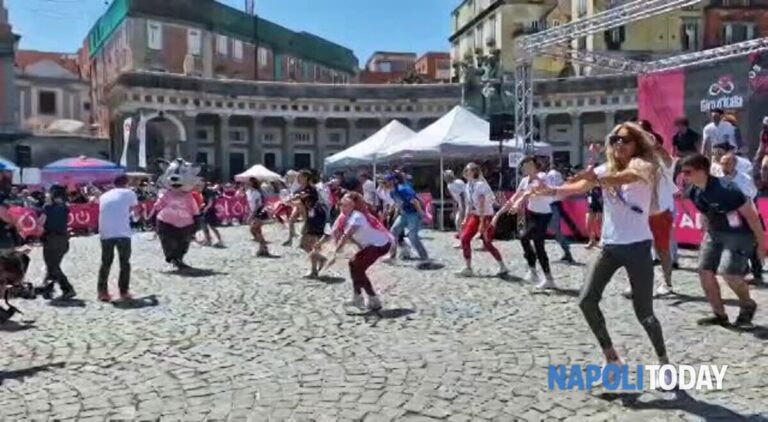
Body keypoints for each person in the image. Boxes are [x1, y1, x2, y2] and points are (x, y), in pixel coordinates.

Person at [531, 122, 672, 376]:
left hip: (638, 246)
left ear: (637, 144)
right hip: (610, 246)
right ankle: (612, 357)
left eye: (625, 139)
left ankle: (664, 363)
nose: (619, 143)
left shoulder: (643, 165)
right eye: (615, 139)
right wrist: (551, 191)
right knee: (586, 301)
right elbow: (579, 187)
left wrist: (594, 178)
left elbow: (625, 177)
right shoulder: (605, 168)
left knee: (644, 313)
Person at [681, 154, 760, 328]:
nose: (684, 176)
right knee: (705, 272)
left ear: (702, 171)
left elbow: (752, 217)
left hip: (739, 233)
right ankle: (719, 314)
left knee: (729, 274)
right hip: (714, 233)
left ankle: (748, 305)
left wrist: (762, 244)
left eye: (688, 172)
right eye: (683, 172)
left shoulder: (727, 189)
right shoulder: (694, 191)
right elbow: (705, 211)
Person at [313, 192, 392, 311]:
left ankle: (370, 298)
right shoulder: (345, 216)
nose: (342, 206)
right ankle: (359, 296)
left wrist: (336, 251)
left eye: (346, 204)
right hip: (372, 245)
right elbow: (334, 232)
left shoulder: (357, 215)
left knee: (357, 266)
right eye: (342, 204)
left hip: (381, 244)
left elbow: (347, 234)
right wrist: (322, 243)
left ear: (354, 205)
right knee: (353, 265)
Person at [498, 156, 556, 288]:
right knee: (523, 237)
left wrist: (519, 201)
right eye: (524, 166)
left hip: (544, 214)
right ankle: (533, 270)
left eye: (529, 165)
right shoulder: (524, 180)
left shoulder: (542, 176)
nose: (526, 168)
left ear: (536, 166)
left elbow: (535, 190)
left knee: (539, 244)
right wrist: (507, 206)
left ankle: (549, 279)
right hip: (532, 213)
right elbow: (518, 194)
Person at [457, 163, 507, 277]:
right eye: (465, 170)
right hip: (475, 215)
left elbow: (482, 202)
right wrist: (465, 218)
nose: (465, 172)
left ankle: (502, 266)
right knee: (465, 238)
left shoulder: (480, 185)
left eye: (468, 170)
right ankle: (468, 267)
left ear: (474, 172)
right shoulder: (468, 185)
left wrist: (481, 222)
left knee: (487, 242)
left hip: (486, 215)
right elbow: (469, 204)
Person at [719, 154, 762, 285]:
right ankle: (742, 269)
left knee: (751, 243)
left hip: (745, 214)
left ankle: (757, 272)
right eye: (722, 163)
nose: (724, 166)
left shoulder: (744, 179)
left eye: (726, 163)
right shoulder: (719, 179)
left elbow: (752, 193)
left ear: (734, 164)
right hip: (729, 215)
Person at [97, 175, 138, 302]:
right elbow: (135, 210)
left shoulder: (103, 196)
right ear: (126, 183)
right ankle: (123, 291)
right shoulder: (129, 193)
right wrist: (135, 218)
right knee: (124, 263)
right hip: (122, 232)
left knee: (106, 263)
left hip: (105, 232)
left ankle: (102, 292)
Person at [36, 185, 75, 300]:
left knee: (53, 266)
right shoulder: (65, 207)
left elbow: (40, 222)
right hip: (63, 239)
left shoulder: (48, 207)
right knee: (52, 265)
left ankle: (67, 288)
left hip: (51, 239)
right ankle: (47, 289)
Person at [387, 172, 429, 264]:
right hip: (404, 214)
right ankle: (392, 256)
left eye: (388, 180)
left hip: (414, 213)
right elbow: (398, 202)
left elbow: (415, 201)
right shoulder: (392, 192)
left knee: (412, 236)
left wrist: (420, 213)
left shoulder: (403, 189)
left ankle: (424, 257)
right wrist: (399, 211)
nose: (386, 183)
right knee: (393, 232)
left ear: (394, 181)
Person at [294, 170, 327, 278]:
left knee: (310, 243)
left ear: (306, 178)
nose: (297, 179)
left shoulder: (310, 190)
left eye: (299, 177)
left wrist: (295, 199)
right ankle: (320, 258)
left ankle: (314, 270)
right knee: (304, 244)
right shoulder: (300, 190)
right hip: (309, 218)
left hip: (315, 219)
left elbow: (301, 201)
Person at [546, 163, 574, 263]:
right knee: (554, 229)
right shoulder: (556, 174)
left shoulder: (549, 175)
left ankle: (567, 249)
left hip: (552, 203)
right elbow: (561, 186)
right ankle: (567, 250)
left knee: (554, 229)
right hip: (555, 203)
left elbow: (554, 187)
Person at [246, 177, 270, 257]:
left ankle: (263, 247)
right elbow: (250, 204)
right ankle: (262, 248)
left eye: (249, 183)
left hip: (259, 212)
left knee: (253, 229)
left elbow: (257, 205)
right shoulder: (248, 192)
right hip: (254, 211)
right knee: (257, 231)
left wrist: (251, 215)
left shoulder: (257, 192)